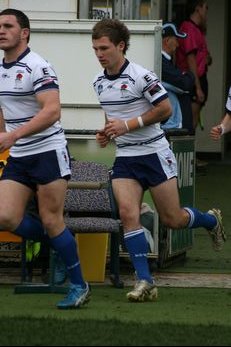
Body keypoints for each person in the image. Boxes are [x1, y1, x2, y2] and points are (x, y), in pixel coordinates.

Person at [92, 18, 226, 303]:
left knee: (172, 219)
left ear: (120, 46)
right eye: (95, 49)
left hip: (154, 152)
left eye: (104, 48)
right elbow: (112, 120)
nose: (99, 54)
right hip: (126, 156)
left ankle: (208, 220)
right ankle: (145, 281)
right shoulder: (99, 83)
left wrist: (127, 125)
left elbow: (164, 109)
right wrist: (107, 133)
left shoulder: (142, 76)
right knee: (129, 214)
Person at [0, 8, 90, 309]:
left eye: (8, 25)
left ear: (24, 33)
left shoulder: (38, 66)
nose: (1, 30)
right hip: (20, 155)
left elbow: (52, 111)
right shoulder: (0, 68)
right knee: (5, 217)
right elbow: (4, 111)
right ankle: (61, 242)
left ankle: (80, 286)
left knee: (52, 219)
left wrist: (12, 137)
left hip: (48, 152)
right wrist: (4, 136)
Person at [176, 0, 211, 132]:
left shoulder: (198, 30)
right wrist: (197, 87)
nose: (206, 12)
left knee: (194, 120)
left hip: (200, 78)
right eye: (205, 8)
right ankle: (187, 151)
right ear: (198, 8)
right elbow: (190, 59)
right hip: (192, 80)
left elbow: (205, 56)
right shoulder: (188, 28)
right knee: (190, 121)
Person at [161, 22, 195, 134]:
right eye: (176, 40)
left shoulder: (166, 62)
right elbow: (185, 85)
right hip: (170, 127)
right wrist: (189, 75)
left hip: (173, 126)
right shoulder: (161, 63)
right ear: (166, 41)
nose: (178, 45)